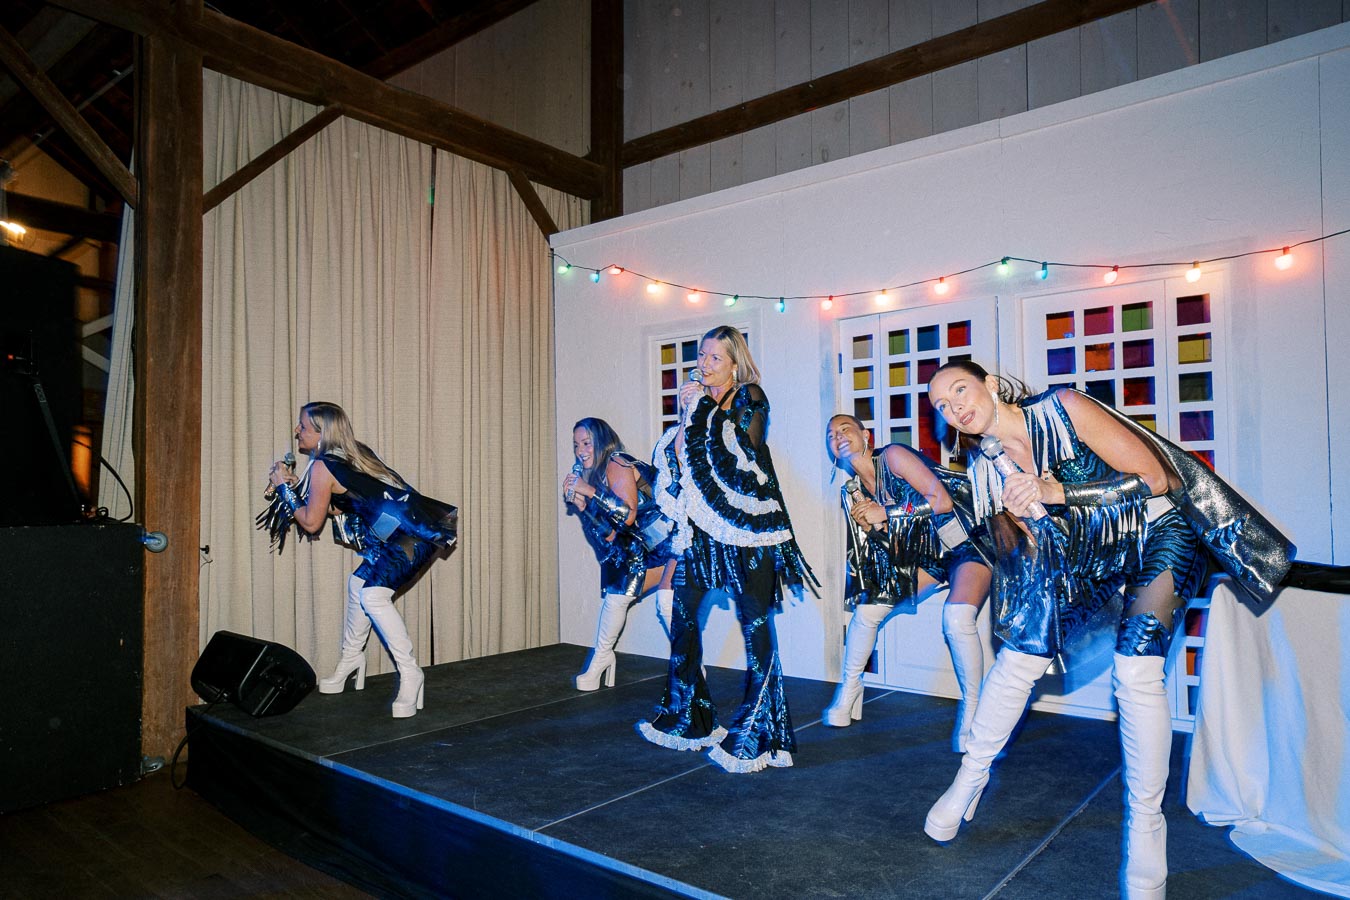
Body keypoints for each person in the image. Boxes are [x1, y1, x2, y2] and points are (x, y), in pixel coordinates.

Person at [921, 361, 1292, 900]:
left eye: (959, 390)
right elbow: (1031, 552)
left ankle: (1146, 827)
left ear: (992, 387)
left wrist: (1057, 494)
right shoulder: (983, 470)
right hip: (1094, 558)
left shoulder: (1063, 408)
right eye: (941, 406)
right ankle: (968, 780)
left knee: (1136, 668)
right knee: (1021, 655)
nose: (953, 407)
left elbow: (1155, 479)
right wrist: (1024, 520)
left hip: (1160, 533)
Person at [636, 326, 816, 773]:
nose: (704, 364)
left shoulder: (749, 396)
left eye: (715, 358)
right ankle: (689, 716)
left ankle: (759, 731)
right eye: (701, 356)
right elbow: (678, 467)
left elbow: (742, 451)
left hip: (748, 531)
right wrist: (686, 419)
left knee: (754, 628)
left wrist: (697, 412)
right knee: (681, 619)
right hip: (701, 534)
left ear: (734, 364)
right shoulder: (695, 409)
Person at [259, 401, 457, 719]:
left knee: (372, 595)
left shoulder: (325, 465)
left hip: (412, 535)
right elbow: (341, 506)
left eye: (303, 426)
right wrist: (297, 490)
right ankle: (352, 659)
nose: (297, 430)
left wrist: (284, 489)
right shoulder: (348, 455)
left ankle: (410, 674)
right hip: (405, 531)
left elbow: (311, 523)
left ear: (321, 433)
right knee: (358, 584)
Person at [823, 414, 992, 751]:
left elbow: (940, 500)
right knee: (869, 610)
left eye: (846, 429)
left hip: (966, 542)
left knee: (957, 619)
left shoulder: (892, 457)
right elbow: (888, 543)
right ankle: (850, 689)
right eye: (831, 435)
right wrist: (875, 527)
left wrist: (886, 513)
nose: (839, 436)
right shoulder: (852, 490)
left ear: (865, 436)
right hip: (926, 557)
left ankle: (974, 712)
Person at [563, 417, 677, 691]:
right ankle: (602, 658)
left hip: (676, 536)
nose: (581, 450)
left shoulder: (618, 462)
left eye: (587, 443)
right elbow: (611, 537)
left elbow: (626, 515)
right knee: (616, 596)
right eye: (577, 445)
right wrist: (582, 507)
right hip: (648, 546)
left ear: (602, 442)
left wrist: (588, 490)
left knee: (667, 601)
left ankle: (691, 670)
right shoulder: (597, 476)